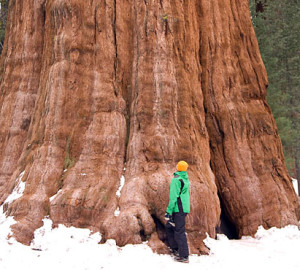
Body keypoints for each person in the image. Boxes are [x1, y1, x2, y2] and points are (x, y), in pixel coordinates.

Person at [165, 160, 190, 263]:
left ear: (178, 167)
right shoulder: (185, 177)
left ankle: (184, 256)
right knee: (169, 226)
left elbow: (173, 197)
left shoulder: (176, 179)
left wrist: (168, 211)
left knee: (179, 231)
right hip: (184, 208)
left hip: (178, 208)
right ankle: (175, 248)